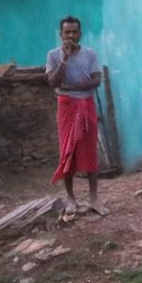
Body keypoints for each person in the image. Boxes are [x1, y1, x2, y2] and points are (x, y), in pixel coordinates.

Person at [45, 16, 107, 215]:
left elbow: (96, 80)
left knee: (90, 151)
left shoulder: (90, 54)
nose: (70, 36)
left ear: (80, 34)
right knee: (67, 152)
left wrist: (72, 87)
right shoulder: (53, 55)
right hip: (66, 107)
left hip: (86, 105)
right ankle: (71, 198)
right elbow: (53, 82)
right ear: (61, 34)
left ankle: (94, 199)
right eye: (67, 32)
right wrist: (64, 60)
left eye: (74, 32)